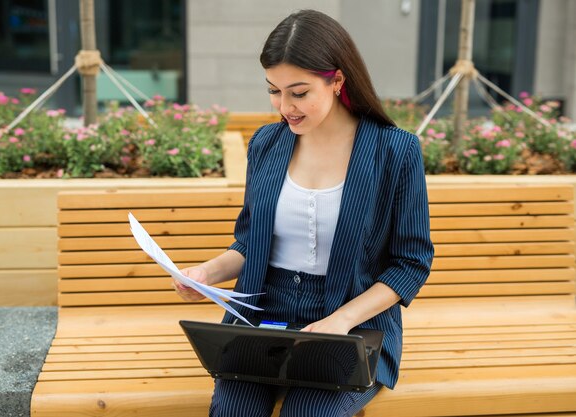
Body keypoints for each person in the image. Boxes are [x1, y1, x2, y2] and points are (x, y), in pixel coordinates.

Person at [173, 9, 434, 417]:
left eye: (299, 92)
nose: (285, 107)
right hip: (263, 320)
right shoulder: (266, 144)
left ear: (337, 81)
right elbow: (249, 243)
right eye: (273, 91)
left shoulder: (394, 151)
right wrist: (206, 274)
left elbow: (411, 264)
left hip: (351, 323)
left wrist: (341, 321)